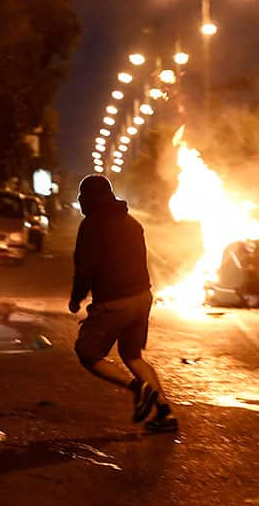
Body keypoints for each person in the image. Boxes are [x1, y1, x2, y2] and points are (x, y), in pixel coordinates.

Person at [69, 175, 177, 432]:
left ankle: (138, 388)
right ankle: (165, 414)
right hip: (142, 298)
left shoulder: (92, 226)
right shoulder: (132, 223)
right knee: (132, 356)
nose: (80, 202)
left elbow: (85, 268)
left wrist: (76, 298)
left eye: (82, 197)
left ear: (91, 199)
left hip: (115, 302)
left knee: (87, 352)